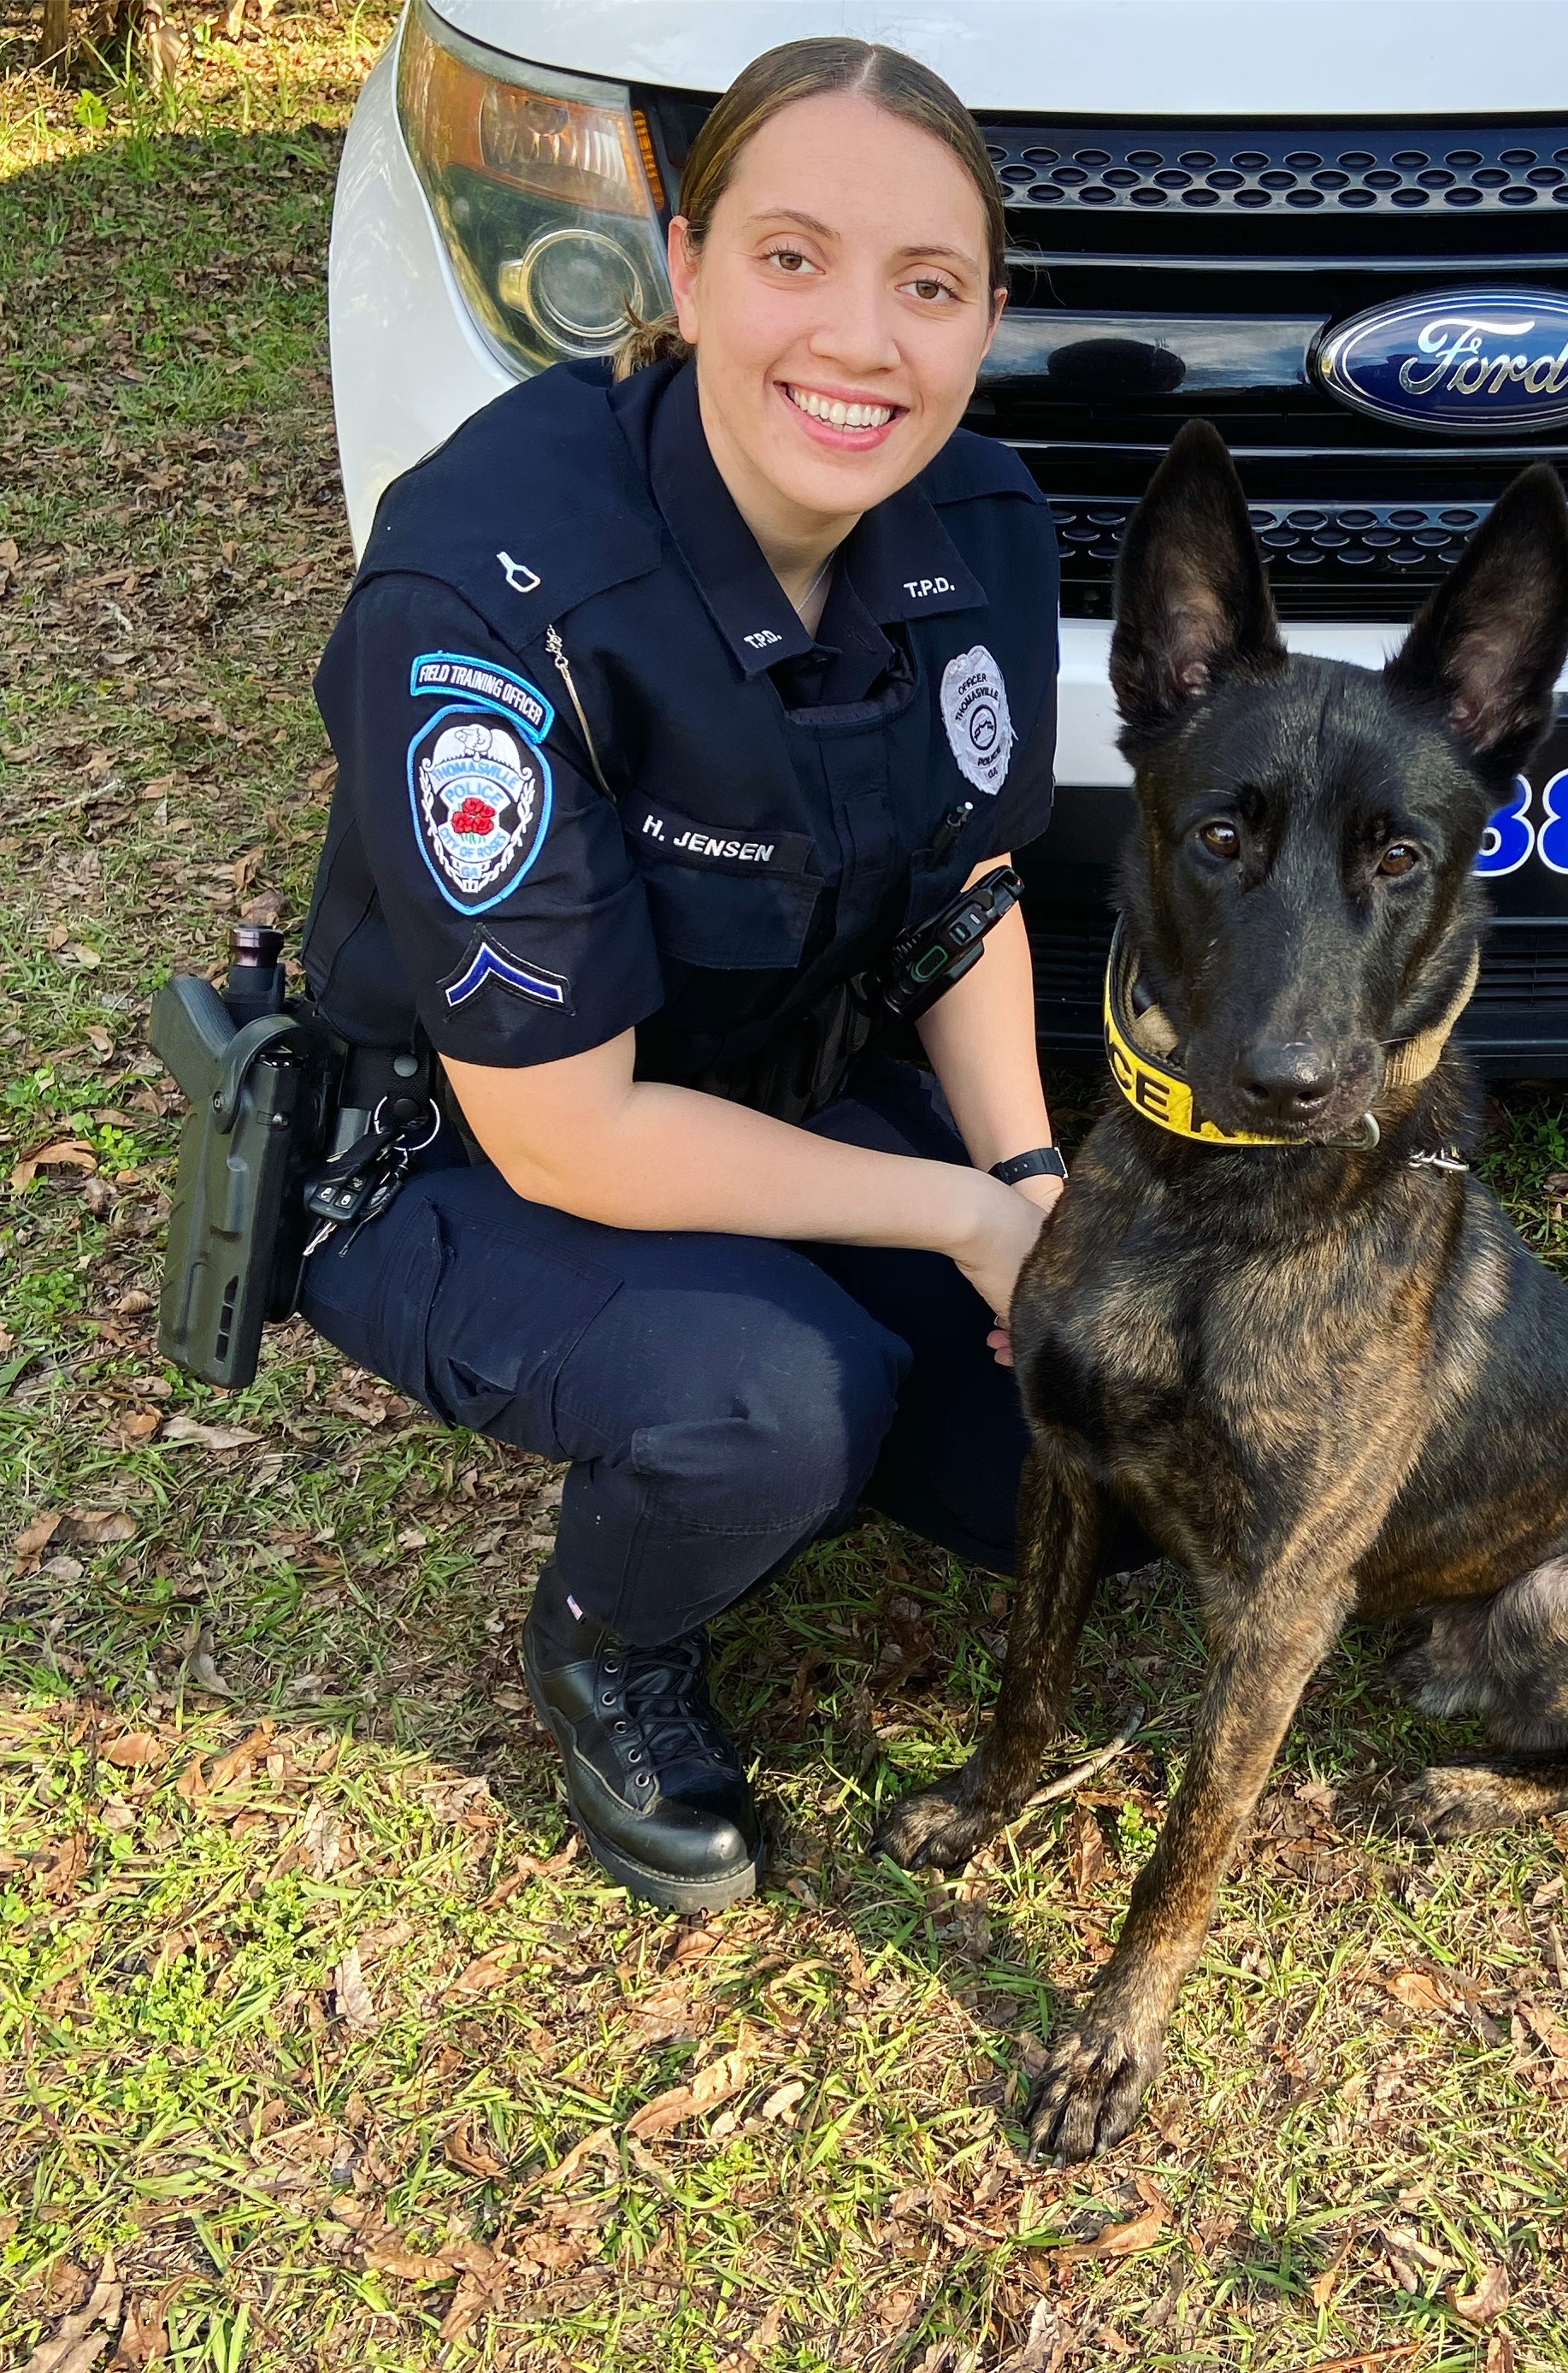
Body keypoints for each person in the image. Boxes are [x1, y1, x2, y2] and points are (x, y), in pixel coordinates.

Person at [296, 38, 1096, 1913]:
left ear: (984, 319)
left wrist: (1037, 1197)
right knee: (773, 1400)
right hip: (461, 1152)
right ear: (682, 264)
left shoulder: (977, 525)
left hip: (759, 1081)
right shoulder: (493, 588)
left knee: (1069, 1441)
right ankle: (606, 1643)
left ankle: (812, 1404)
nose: (861, 343)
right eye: (791, 257)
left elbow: (963, 891)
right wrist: (955, 1217)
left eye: (928, 286)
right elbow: (567, 1130)